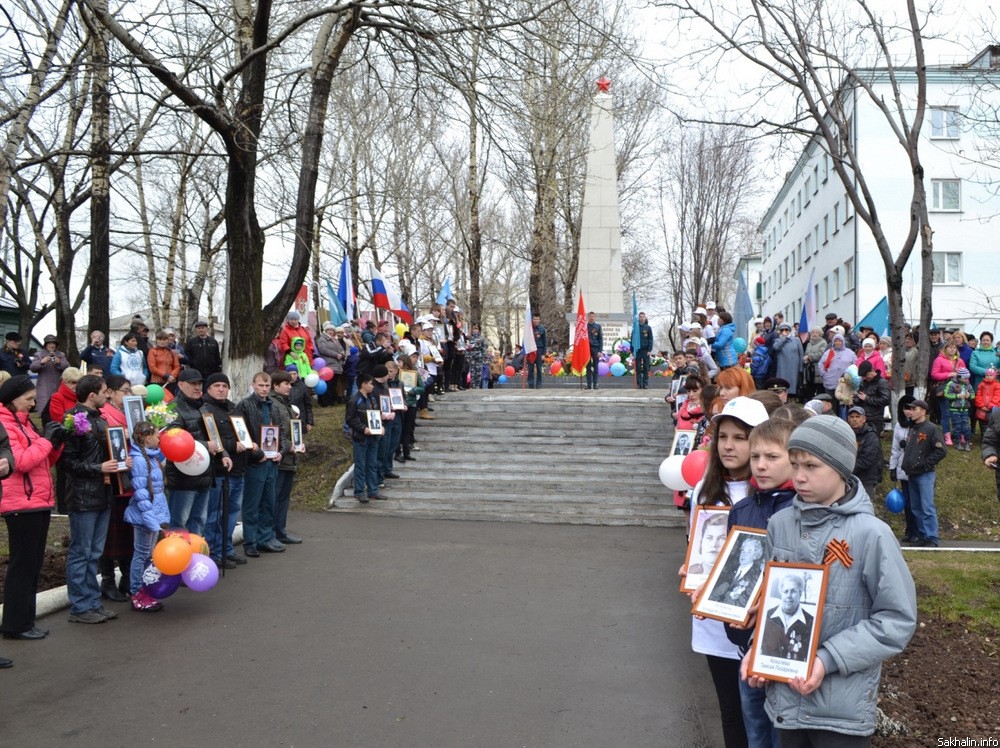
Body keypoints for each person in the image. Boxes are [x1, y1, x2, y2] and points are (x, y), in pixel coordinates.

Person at [742, 415, 917, 745]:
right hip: (785, 703)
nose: (799, 477)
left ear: (840, 469)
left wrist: (827, 659)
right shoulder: (780, 524)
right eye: (794, 465)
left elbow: (897, 619)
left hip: (841, 714)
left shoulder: (871, 534)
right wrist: (758, 649)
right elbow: (772, 600)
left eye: (811, 466)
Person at [682, 396, 769, 748]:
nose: (729, 446)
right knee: (731, 711)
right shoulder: (705, 488)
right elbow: (695, 544)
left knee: (761, 716)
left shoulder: (772, 492)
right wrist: (691, 568)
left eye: (740, 437)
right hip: (713, 620)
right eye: (723, 437)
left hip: (756, 622)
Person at [725, 417, 800, 748]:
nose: (760, 465)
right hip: (745, 647)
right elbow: (731, 571)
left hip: (785, 656)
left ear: (793, 459)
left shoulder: (804, 511)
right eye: (755, 457)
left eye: (772, 457)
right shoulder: (741, 509)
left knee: (781, 736)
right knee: (755, 732)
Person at [58, 375, 126, 624]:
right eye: (105, 391)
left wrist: (121, 462)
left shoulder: (99, 419)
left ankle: (93, 602)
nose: (108, 395)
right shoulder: (73, 420)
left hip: (103, 494)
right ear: (92, 395)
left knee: (94, 552)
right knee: (81, 552)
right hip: (83, 497)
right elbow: (66, 463)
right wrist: (100, 468)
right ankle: (80, 606)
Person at [0, 376, 57, 642]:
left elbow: (42, 457)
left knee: (32, 565)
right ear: (12, 399)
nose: (33, 404)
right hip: (20, 503)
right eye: (28, 399)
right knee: (22, 566)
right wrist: (46, 441)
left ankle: (26, 620)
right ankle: (15, 624)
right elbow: (21, 462)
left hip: (37, 501)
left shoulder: (24, 424)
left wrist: (56, 441)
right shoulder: (6, 424)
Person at [166, 369, 229, 535]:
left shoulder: (202, 405)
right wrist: (205, 445)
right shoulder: (172, 408)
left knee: (199, 522)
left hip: (205, 474)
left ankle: (197, 559)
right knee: (180, 524)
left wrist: (223, 453)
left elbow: (213, 434)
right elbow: (173, 439)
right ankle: (178, 560)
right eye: (192, 383)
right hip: (183, 477)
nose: (197, 387)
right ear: (180, 384)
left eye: (199, 383)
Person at [201, 372, 249, 567]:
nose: (221, 389)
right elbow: (211, 440)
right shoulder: (205, 410)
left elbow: (243, 434)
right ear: (209, 389)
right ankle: (213, 553)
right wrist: (231, 445)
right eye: (217, 386)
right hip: (218, 471)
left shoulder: (233, 408)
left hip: (237, 469)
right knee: (215, 514)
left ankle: (226, 549)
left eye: (224, 386)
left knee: (231, 513)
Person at [236, 371, 286, 556]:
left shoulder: (273, 406)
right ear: (253, 385)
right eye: (260, 385)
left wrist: (280, 452)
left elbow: (281, 432)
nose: (264, 389)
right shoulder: (245, 405)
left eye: (267, 386)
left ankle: (265, 539)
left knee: (268, 502)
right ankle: (250, 541)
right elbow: (241, 433)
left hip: (272, 462)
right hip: (255, 463)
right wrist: (255, 453)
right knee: (252, 503)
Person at [123, 422, 169, 612]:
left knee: (148, 554)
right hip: (145, 515)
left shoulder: (150, 457)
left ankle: (146, 590)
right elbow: (141, 493)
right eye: (157, 435)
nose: (159, 438)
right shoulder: (140, 460)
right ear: (148, 437)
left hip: (153, 511)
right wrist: (151, 521)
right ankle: (137, 592)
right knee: (141, 554)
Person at [98, 375, 135, 603]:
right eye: (124, 390)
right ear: (110, 392)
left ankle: (128, 578)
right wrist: (122, 437)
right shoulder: (104, 414)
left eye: (129, 391)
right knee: (110, 536)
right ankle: (108, 580)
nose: (128, 395)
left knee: (127, 532)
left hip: (131, 480)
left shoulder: (130, 413)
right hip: (112, 481)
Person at [268, 370, 302, 546]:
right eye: (286, 384)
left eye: (290, 384)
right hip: (279, 458)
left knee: (283, 497)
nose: (290, 386)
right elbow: (275, 431)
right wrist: (289, 445)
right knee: (275, 497)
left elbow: (291, 430)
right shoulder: (273, 404)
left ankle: (280, 531)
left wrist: (298, 443)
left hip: (289, 459)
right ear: (276, 385)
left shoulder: (285, 404)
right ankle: (271, 533)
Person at [346, 373, 384, 503]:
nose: (372, 386)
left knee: (372, 464)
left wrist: (381, 426)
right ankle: (359, 491)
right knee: (361, 465)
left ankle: (373, 491)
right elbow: (350, 419)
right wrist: (363, 428)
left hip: (374, 437)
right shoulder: (354, 400)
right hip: (361, 438)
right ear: (363, 384)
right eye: (370, 383)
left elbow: (377, 415)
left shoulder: (372, 399)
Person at [759, 574, 814, 661]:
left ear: (800, 593)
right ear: (781, 593)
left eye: (793, 591)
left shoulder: (811, 622)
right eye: (785, 591)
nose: (789, 595)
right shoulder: (767, 616)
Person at [888, 396, 921, 543]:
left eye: (911, 408)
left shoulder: (920, 425)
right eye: (906, 408)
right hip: (903, 466)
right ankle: (910, 529)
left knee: (917, 501)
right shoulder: (899, 426)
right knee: (907, 502)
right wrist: (893, 467)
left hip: (918, 468)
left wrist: (909, 444)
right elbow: (895, 448)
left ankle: (919, 530)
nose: (908, 411)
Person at [708, 535, 765, 608]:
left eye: (749, 552)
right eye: (743, 550)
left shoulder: (757, 576)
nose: (744, 554)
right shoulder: (730, 568)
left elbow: (746, 602)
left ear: (755, 555)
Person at [29, 335, 69, 417]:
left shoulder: (61, 354)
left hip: (58, 386)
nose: (52, 345)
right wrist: (42, 362)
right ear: (45, 344)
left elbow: (68, 368)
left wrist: (59, 362)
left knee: (58, 410)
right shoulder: (39, 355)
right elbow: (32, 368)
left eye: (54, 343)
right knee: (45, 411)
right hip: (44, 387)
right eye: (50, 343)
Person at [848, 406, 883, 498]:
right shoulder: (847, 433)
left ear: (864, 419)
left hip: (866, 479)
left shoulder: (871, 435)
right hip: (850, 477)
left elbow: (867, 460)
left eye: (857, 417)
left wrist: (846, 468)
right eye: (852, 417)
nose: (854, 420)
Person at [852, 360, 891, 433]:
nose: (866, 378)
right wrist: (856, 399)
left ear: (872, 370)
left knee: (874, 439)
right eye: (864, 376)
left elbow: (886, 400)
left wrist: (867, 398)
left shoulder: (882, 383)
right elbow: (860, 397)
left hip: (875, 418)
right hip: (863, 416)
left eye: (867, 375)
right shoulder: (863, 383)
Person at [944, 367, 975, 451]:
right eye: (965, 378)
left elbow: (973, 394)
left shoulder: (968, 385)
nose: (967, 380)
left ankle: (967, 442)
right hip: (954, 410)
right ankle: (957, 442)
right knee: (956, 426)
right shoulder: (951, 383)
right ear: (960, 377)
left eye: (968, 378)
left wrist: (970, 396)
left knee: (966, 426)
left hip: (965, 409)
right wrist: (957, 396)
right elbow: (946, 394)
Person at [771, 323, 802, 397]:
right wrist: (783, 339)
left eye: (786, 329)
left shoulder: (796, 339)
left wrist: (801, 368)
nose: (784, 331)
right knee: (783, 386)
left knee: (793, 386)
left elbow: (801, 354)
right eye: (782, 330)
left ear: (789, 330)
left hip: (794, 367)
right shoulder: (778, 340)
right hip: (783, 367)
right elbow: (775, 348)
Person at [527, 313, 547, 389]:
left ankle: (539, 384)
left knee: (539, 368)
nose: (536, 320)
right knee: (530, 369)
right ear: (532, 319)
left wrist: (543, 354)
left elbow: (545, 343)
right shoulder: (529, 328)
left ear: (539, 320)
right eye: (534, 319)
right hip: (531, 351)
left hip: (539, 351)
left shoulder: (542, 329)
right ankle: (531, 384)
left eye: (537, 319)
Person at [636, 311, 654, 388]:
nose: (642, 318)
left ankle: (645, 383)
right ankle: (639, 384)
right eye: (640, 317)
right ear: (638, 318)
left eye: (643, 316)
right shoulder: (635, 327)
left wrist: (649, 350)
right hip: (638, 351)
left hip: (646, 350)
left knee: (646, 368)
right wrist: (632, 350)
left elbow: (650, 339)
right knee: (638, 368)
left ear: (645, 318)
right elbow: (633, 339)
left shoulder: (648, 328)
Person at [586, 312, 603, 389]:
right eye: (590, 316)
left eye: (593, 316)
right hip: (587, 348)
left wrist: (600, 351)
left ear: (595, 317)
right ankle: (589, 385)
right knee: (588, 367)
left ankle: (595, 384)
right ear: (588, 317)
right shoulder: (585, 326)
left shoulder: (598, 326)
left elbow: (600, 339)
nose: (591, 317)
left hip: (595, 348)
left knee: (596, 367)